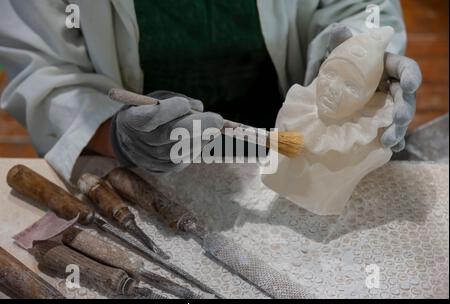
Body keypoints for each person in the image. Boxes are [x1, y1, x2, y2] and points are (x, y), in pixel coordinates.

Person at [0, 0, 422, 182]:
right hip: (137, 173)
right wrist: (116, 134)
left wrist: (356, 58)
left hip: (296, 155)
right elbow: (44, 71)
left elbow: (360, 8)